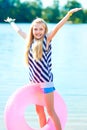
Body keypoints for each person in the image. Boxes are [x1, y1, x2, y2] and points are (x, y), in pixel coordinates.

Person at [5, 8, 82, 130]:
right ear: (32, 30)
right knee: (39, 112)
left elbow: (57, 27)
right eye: (36, 29)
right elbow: (19, 31)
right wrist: (11, 22)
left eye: (41, 29)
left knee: (50, 112)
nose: (38, 32)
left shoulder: (46, 40)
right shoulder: (29, 41)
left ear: (45, 30)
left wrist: (68, 14)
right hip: (33, 84)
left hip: (46, 83)